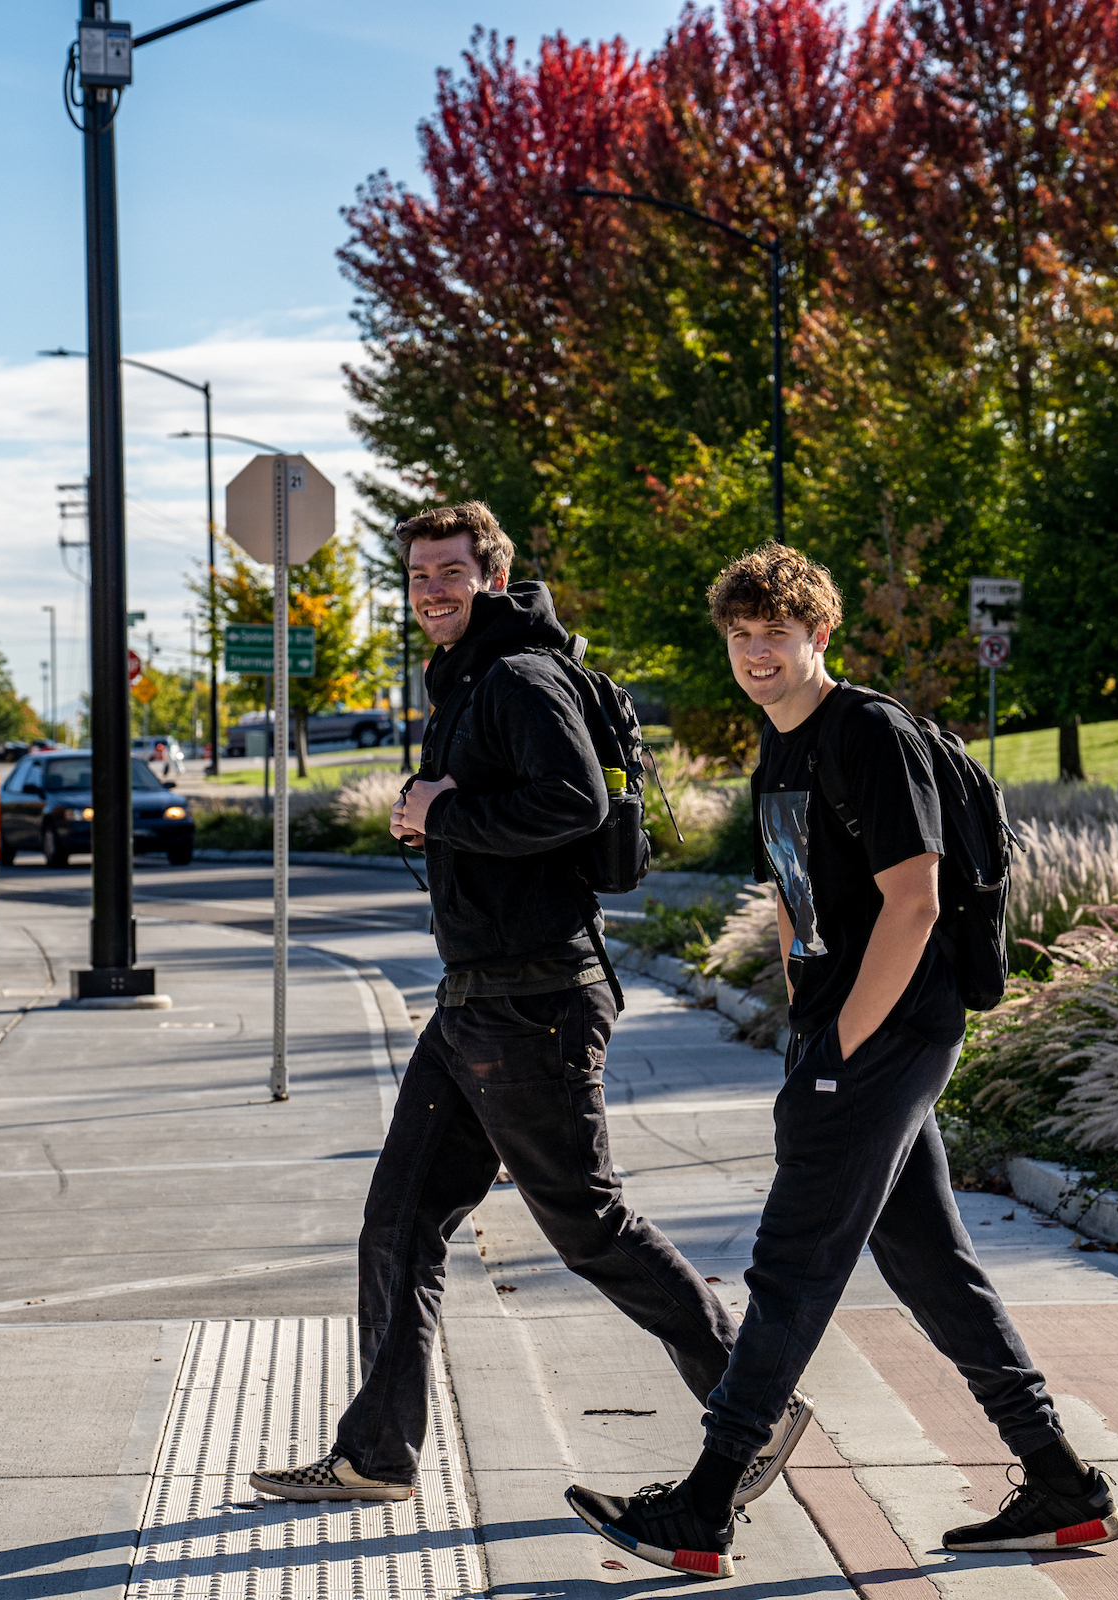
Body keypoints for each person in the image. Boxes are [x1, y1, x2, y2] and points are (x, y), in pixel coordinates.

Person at [565, 543, 1118, 1578]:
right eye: (740, 636)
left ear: (820, 633)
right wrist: (802, 1016)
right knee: (933, 1270)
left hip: (891, 1033)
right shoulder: (776, 747)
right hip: (839, 1035)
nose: (755, 653)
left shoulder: (865, 732)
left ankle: (704, 1503)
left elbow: (914, 899)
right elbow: (795, 895)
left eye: (775, 633)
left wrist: (844, 1048)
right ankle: (1063, 1484)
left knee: (790, 1269)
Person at [251, 503, 810, 1506]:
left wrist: (446, 809)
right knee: (401, 1219)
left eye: (451, 571)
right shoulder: (468, 675)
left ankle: (752, 1408)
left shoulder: (516, 674)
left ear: (491, 578)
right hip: (477, 997)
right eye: (419, 573)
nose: (432, 588)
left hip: (534, 998)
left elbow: (572, 804)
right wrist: (429, 819)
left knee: (586, 1223)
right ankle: (377, 1452)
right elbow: (506, 811)